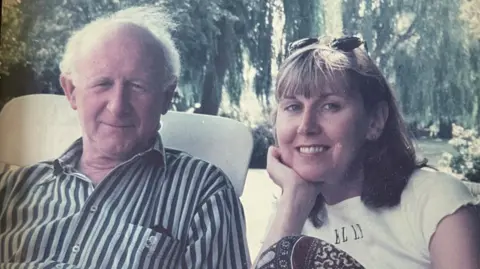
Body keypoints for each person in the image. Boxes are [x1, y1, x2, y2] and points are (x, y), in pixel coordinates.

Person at [0, 6, 250, 269]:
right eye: (102, 84)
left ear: (166, 96)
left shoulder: (203, 193)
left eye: (137, 86)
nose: (118, 106)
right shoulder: (15, 188)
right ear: (71, 91)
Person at [254, 36, 480, 269]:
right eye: (293, 107)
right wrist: (293, 200)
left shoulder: (434, 201)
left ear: (375, 121)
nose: (306, 126)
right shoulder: (289, 215)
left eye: (330, 106)